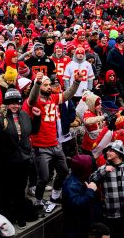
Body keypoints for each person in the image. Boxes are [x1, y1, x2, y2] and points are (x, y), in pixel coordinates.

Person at [0, 88, 40, 227]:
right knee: (6, 192)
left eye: (17, 103)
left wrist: (37, 118)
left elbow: (33, 131)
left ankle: (20, 217)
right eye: (12, 103)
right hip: (5, 162)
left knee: (20, 191)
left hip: (22, 161)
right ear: (6, 103)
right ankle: (7, 219)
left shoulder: (24, 115)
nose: (15, 105)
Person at [26, 74, 79, 206]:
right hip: (41, 146)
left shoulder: (53, 98)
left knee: (64, 171)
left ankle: (55, 196)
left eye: (49, 84)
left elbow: (67, 95)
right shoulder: (36, 100)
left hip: (55, 143)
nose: (49, 87)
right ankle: (38, 202)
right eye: (46, 85)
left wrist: (76, 81)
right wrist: (37, 83)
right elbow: (31, 98)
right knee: (43, 178)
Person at [90, 140, 124, 238]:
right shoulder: (104, 168)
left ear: (119, 152)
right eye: (107, 151)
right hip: (110, 213)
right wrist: (104, 171)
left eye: (110, 150)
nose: (107, 152)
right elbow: (92, 179)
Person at [63, 154, 100, 238]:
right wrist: (90, 191)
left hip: (84, 221)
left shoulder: (81, 177)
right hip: (76, 227)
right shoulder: (71, 185)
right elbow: (76, 204)